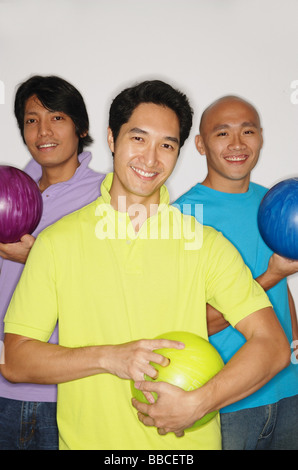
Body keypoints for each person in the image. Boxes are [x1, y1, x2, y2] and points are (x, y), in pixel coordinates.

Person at [1, 81, 290, 451]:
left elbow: (272, 345)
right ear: (111, 138)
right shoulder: (57, 243)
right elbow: (15, 359)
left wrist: (199, 403)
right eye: (138, 139)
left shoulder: (206, 243)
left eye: (166, 145)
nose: (151, 159)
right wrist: (110, 357)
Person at [174, 95, 298, 450]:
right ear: (200, 144)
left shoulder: (275, 203)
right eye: (222, 133)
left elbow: (281, 289)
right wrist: (270, 276)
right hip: (227, 397)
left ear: (260, 137)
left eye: (248, 131)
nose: (237, 144)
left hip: (288, 389)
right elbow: (191, 321)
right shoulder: (181, 218)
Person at [0, 75, 105, 450]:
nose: (43, 131)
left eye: (57, 117)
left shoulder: (106, 195)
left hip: (66, 391)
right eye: (31, 120)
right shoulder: (7, 188)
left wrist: (37, 258)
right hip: (3, 382)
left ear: (81, 126)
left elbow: (112, 283)